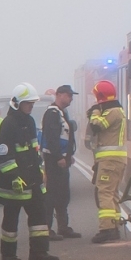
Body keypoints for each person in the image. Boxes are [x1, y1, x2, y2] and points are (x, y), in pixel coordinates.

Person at [0, 83, 58, 260]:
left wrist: (39, 174)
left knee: (39, 216)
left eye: (32, 103)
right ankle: (8, 254)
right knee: (10, 220)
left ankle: (39, 252)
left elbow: (33, 150)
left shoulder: (29, 122)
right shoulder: (8, 124)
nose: (31, 106)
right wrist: (14, 178)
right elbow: (4, 156)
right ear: (17, 103)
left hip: (32, 180)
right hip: (14, 184)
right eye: (28, 103)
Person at [86, 79, 128, 243]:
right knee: (112, 193)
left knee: (104, 192)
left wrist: (95, 112)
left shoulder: (113, 112)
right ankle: (114, 226)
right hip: (113, 160)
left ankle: (107, 229)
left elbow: (97, 125)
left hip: (110, 161)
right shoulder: (115, 110)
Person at [41, 84, 81, 239]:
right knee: (51, 194)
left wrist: (68, 155)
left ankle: (63, 227)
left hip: (63, 159)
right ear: (59, 95)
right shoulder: (52, 113)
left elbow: (66, 137)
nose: (71, 98)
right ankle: (47, 228)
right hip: (54, 160)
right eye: (69, 95)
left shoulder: (61, 113)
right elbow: (51, 138)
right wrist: (58, 157)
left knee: (63, 194)